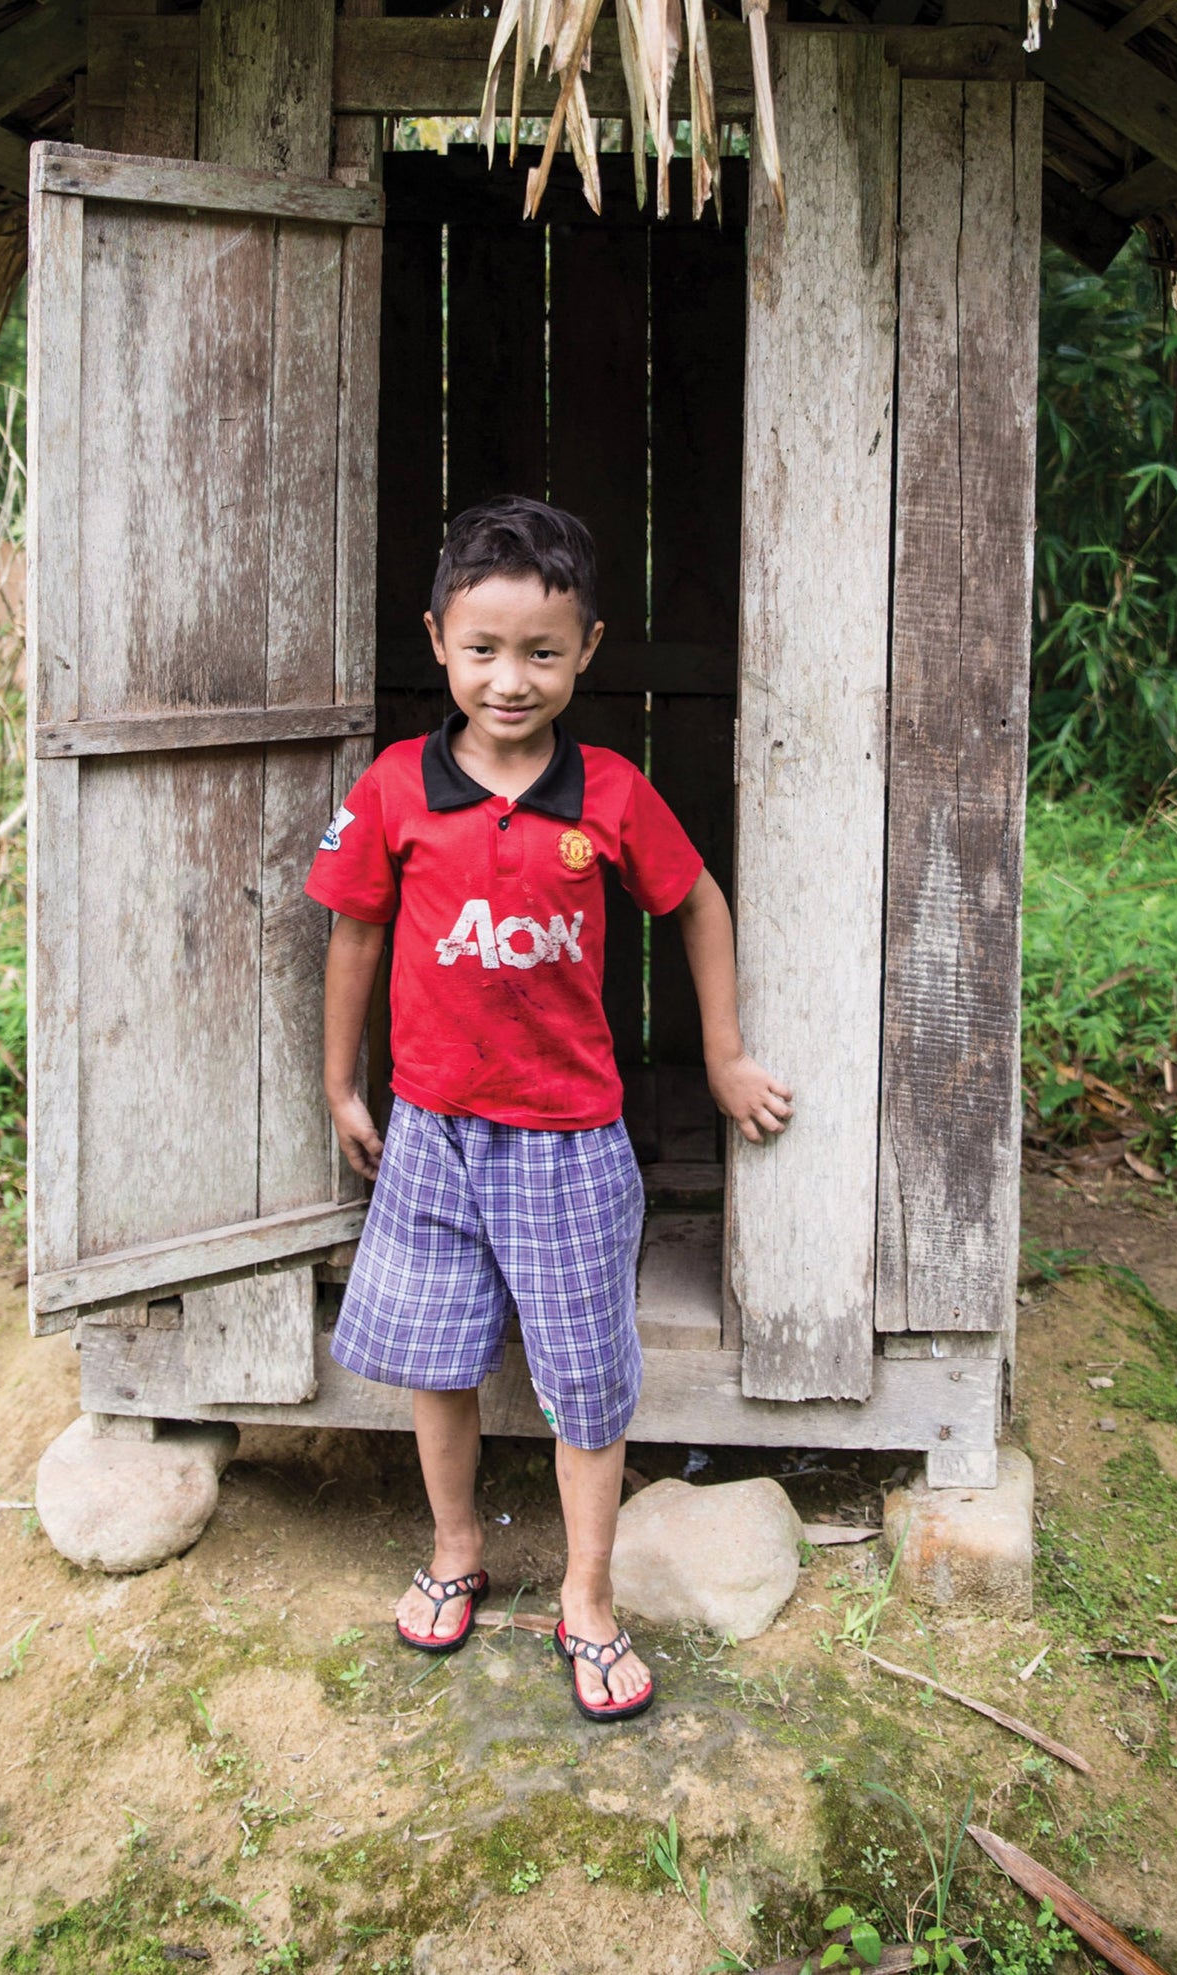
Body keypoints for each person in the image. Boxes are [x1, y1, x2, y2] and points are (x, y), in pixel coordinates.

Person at [307, 494, 793, 1724]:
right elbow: (354, 934)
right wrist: (339, 1082)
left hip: (570, 1142)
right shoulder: (394, 792)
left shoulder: (611, 794)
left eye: (540, 651)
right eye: (483, 650)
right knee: (434, 1360)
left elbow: (697, 905)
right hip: (429, 1132)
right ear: (436, 642)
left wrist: (726, 1057)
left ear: (586, 649)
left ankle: (586, 1596)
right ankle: (456, 1545)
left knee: (586, 1378)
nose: (509, 679)